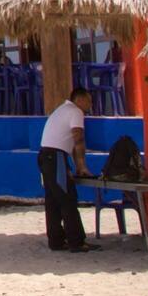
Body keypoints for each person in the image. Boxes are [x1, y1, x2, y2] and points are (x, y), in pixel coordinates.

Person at [38, 88, 98, 252]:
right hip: (55, 157)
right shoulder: (75, 111)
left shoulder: (62, 110)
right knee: (67, 199)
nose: (90, 105)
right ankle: (76, 241)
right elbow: (78, 139)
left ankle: (56, 241)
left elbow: (69, 144)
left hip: (46, 156)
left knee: (53, 200)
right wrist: (83, 165)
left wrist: (76, 166)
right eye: (89, 100)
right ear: (79, 100)